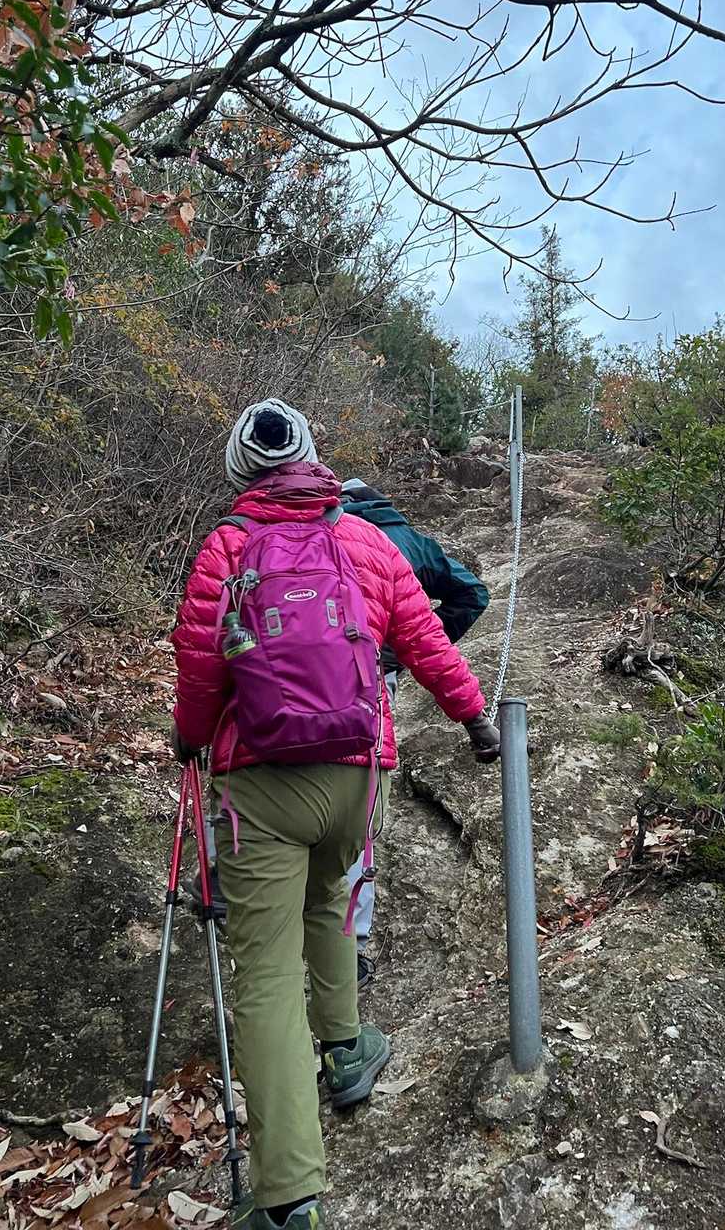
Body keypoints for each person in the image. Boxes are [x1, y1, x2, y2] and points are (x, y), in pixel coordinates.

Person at [171, 398, 500, 1230]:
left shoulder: (227, 547)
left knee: (266, 976)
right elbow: (426, 639)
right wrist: (474, 719)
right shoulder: (366, 540)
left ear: (240, 469)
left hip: (261, 784)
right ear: (313, 457)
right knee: (327, 899)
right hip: (357, 774)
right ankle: (348, 1050)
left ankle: (287, 1199)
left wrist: (189, 739)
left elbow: (200, 665)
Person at [339, 478, 489, 982]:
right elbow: (472, 593)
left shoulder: (316, 532)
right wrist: (406, 649)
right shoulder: (411, 541)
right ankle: (352, 947)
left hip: (294, 685)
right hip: (375, 679)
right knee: (358, 815)